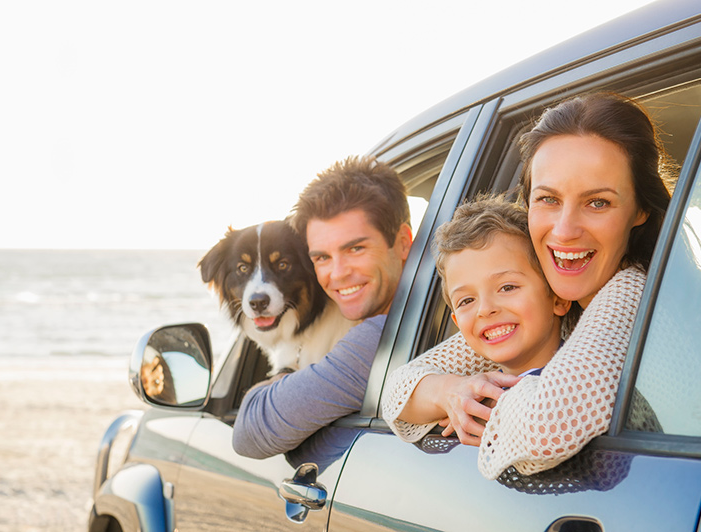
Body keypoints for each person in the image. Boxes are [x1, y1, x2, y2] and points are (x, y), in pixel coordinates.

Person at [381, 92, 674, 480]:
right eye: (548, 199)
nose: (565, 230)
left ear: (641, 209)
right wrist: (451, 392)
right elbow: (398, 388)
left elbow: (545, 428)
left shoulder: (629, 293)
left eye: (598, 202)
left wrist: (488, 401)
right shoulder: (554, 307)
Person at [232, 155, 413, 459]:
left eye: (355, 248)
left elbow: (249, 435)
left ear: (404, 241)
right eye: (321, 258)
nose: (338, 274)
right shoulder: (426, 312)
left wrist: (283, 376)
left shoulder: (378, 339)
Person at [434, 194, 570, 381]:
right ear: (457, 323)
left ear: (559, 297)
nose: (485, 309)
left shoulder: (579, 382)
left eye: (507, 288)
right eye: (467, 300)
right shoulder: (474, 397)